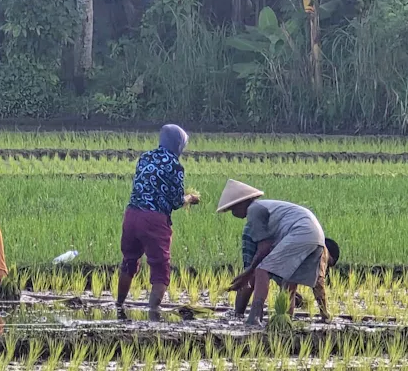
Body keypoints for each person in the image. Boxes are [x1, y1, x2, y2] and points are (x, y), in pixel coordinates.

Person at [216, 180, 339, 325]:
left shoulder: (253, 210)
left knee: (262, 269)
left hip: (300, 231)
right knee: (290, 281)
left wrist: (247, 273)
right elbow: (319, 282)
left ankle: (255, 316)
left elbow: (264, 248)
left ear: (242, 203)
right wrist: (325, 314)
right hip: (316, 235)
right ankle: (285, 321)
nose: (234, 214)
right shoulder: (267, 207)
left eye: (233, 209)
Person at [117, 124, 199, 319]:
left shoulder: (145, 157)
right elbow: (176, 201)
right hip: (154, 220)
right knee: (160, 267)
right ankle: (153, 313)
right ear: (178, 145)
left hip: (132, 215)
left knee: (129, 261)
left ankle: (119, 305)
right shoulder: (175, 165)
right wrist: (191, 198)